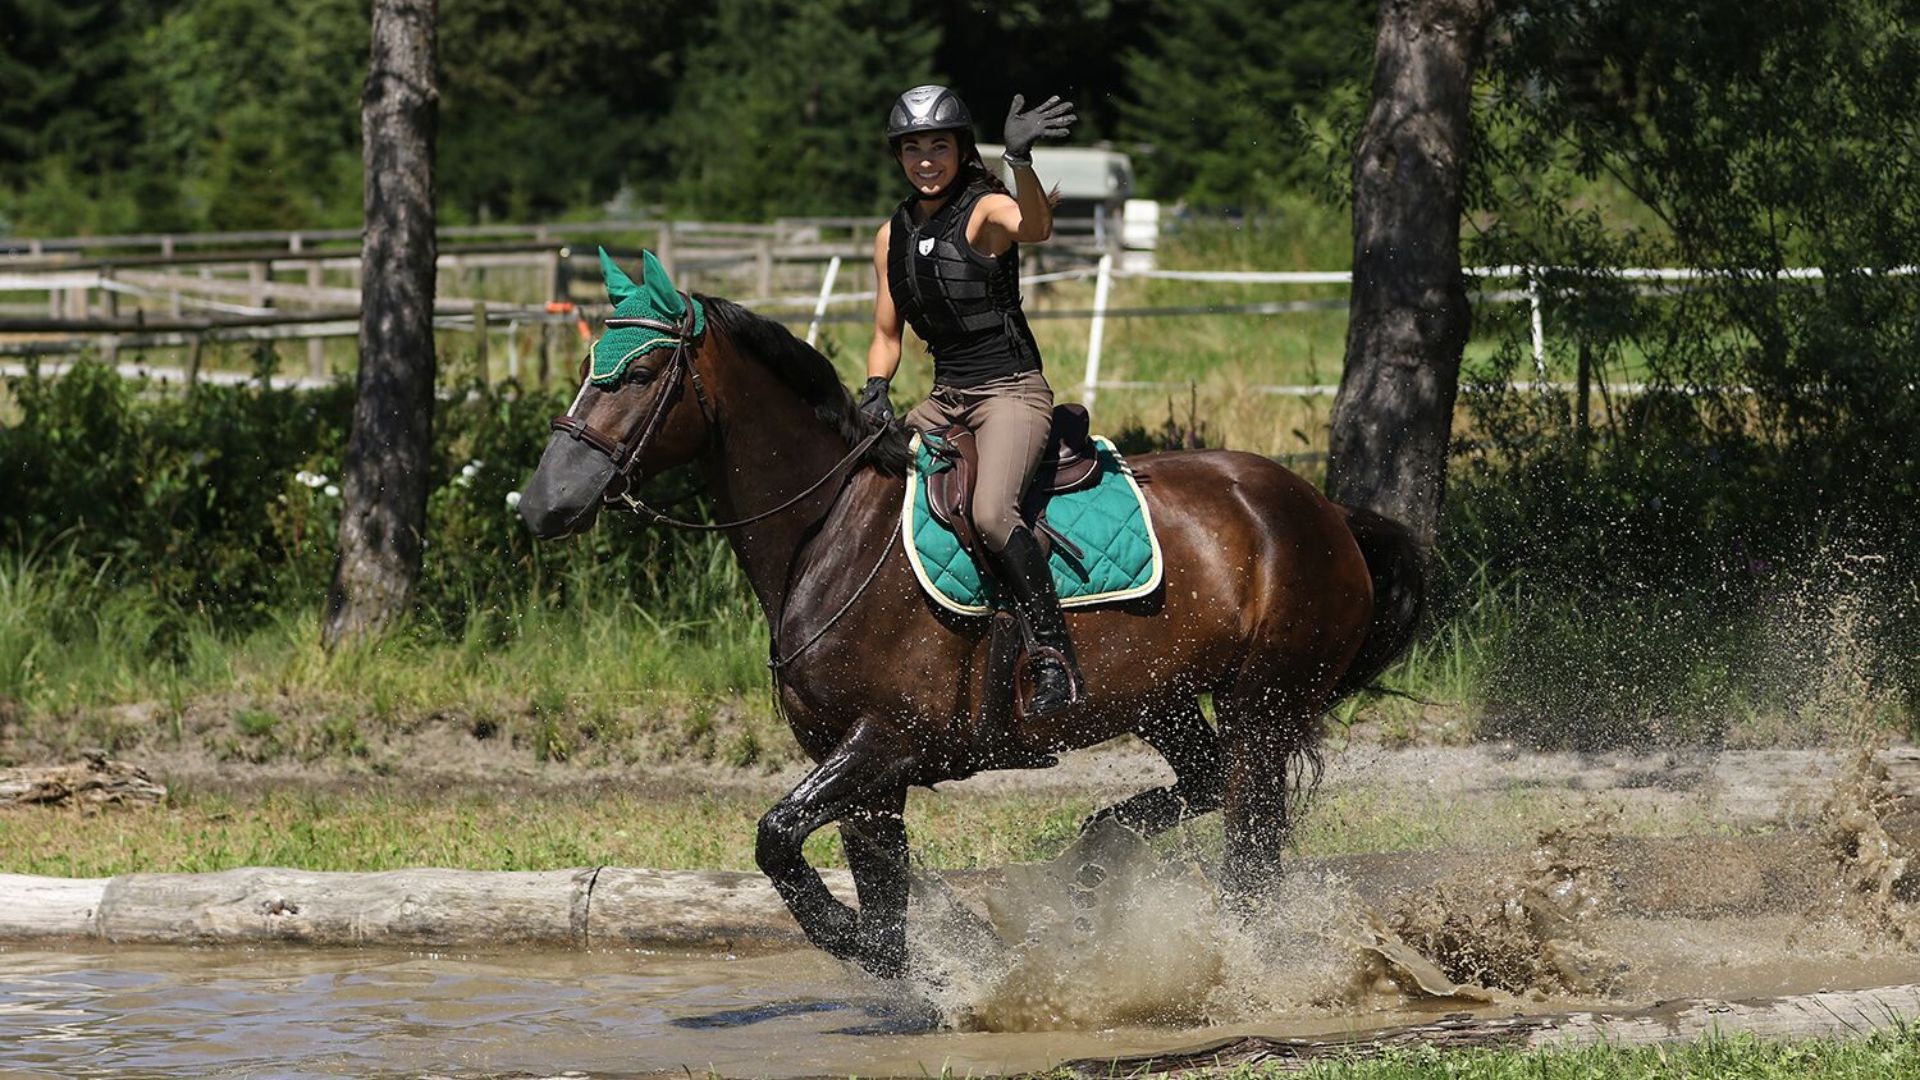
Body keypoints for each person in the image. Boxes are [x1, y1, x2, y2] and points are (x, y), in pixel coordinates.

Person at [858, 84, 1084, 719]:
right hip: (945, 398)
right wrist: (876, 390)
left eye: (938, 146)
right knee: (866, 485)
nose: (925, 159)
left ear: (960, 149)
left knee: (990, 510)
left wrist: (1021, 161)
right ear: (898, 156)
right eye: (912, 148)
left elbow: (1035, 227)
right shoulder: (890, 235)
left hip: (1010, 392)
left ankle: (1053, 657)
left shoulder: (986, 208)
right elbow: (884, 335)